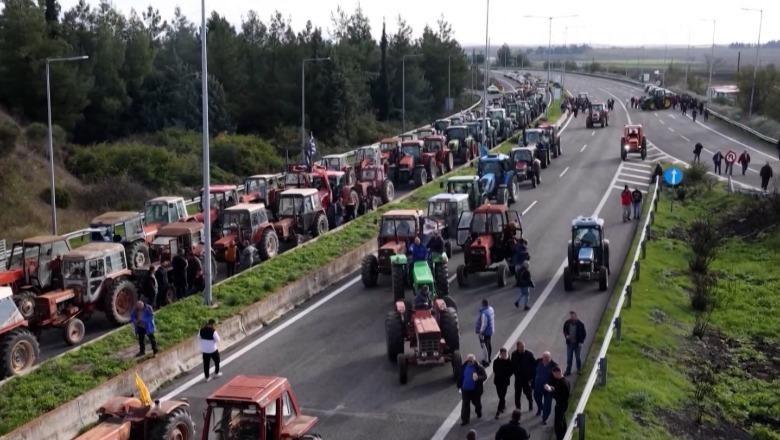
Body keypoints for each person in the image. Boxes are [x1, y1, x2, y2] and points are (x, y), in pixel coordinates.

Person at [458, 353, 487, 426]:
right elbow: (460, 377)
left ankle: (478, 412)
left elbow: (484, 376)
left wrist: (478, 378)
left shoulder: (479, 367)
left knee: (477, 403)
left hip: (475, 391)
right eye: (469, 361)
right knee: (465, 405)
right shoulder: (463, 367)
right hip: (465, 390)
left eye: (471, 361)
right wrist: (459, 386)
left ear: (474, 360)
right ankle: (465, 420)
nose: (470, 362)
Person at [546, 366, 571, 440]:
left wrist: (550, 391)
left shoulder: (562, 383)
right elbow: (559, 392)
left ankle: (560, 437)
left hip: (561, 405)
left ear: (557, 373)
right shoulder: (565, 381)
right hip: (563, 404)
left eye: (554, 374)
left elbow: (558, 396)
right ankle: (564, 433)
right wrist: (553, 389)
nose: (554, 376)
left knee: (558, 423)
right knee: (562, 419)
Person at [533, 351, 557, 425]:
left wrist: (551, 387)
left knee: (547, 405)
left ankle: (544, 418)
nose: (545, 359)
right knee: (537, 398)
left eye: (547, 358)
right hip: (538, 387)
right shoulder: (538, 362)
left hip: (548, 389)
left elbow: (557, 378)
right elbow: (532, 370)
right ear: (542, 357)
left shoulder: (554, 366)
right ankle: (540, 408)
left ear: (550, 358)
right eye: (544, 357)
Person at [511, 341, 535, 412]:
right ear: (517, 347)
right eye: (521, 347)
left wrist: (532, 377)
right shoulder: (514, 354)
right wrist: (515, 372)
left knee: (528, 393)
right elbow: (512, 365)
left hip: (527, 379)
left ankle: (530, 402)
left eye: (523, 347)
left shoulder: (529, 354)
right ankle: (518, 408)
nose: (523, 348)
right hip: (518, 378)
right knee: (517, 394)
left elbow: (534, 365)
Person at [563, 311, 586, 376]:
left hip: (577, 344)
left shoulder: (580, 324)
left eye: (573, 316)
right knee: (569, 358)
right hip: (570, 344)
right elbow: (564, 330)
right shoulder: (567, 323)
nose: (572, 318)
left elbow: (584, 334)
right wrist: (566, 336)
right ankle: (568, 371)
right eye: (571, 316)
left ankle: (579, 370)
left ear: (576, 316)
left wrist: (581, 342)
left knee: (577, 358)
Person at [493, 348, 513, 419]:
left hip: (505, 382)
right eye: (503, 353)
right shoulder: (496, 361)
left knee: (502, 396)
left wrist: (507, 375)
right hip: (498, 381)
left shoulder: (509, 361)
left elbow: (511, 371)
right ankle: (503, 405)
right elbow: (495, 370)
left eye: (506, 353)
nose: (505, 355)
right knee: (500, 395)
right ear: (500, 354)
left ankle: (498, 412)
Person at [476, 299, 495, 367]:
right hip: (490, 330)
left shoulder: (484, 313)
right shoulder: (491, 309)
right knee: (488, 344)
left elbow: (484, 324)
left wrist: (480, 332)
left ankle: (486, 361)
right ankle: (489, 358)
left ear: (483, 304)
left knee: (485, 346)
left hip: (485, 332)